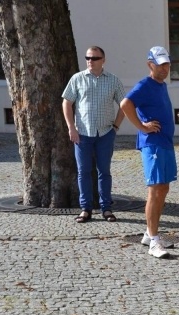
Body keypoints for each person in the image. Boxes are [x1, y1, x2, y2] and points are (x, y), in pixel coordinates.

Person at [120, 46, 178, 259]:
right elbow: (126, 104)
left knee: (163, 188)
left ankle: (149, 234)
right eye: (160, 64)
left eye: (167, 64)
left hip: (164, 142)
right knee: (155, 190)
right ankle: (154, 240)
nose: (165, 69)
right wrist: (142, 126)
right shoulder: (144, 85)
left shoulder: (161, 85)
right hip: (152, 144)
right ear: (150, 64)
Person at [62, 46, 126, 223]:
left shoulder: (113, 80)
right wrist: (71, 128)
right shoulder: (77, 79)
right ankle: (86, 209)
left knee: (104, 171)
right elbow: (66, 103)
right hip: (82, 134)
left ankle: (106, 208)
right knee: (83, 172)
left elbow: (125, 104)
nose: (90, 61)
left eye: (95, 58)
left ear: (103, 60)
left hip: (105, 133)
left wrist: (116, 127)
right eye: (88, 58)